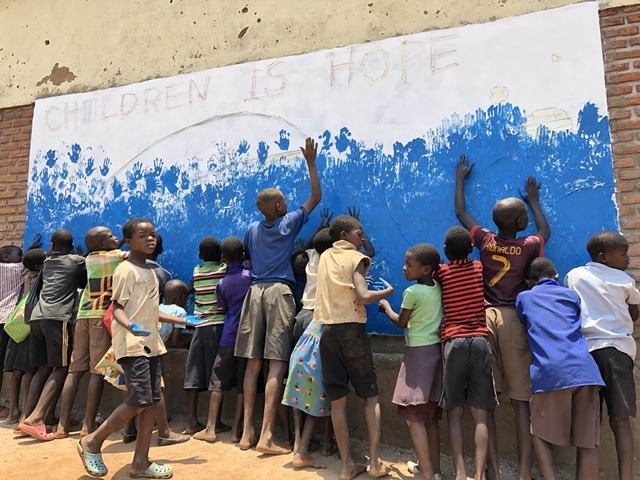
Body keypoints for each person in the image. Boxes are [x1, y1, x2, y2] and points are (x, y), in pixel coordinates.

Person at [455, 155, 550, 480]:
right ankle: (524, 472)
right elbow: (545, 231)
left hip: (483, 319)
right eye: (523, 215)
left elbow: (461, 214)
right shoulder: (528, 245)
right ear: (519, 223)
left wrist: (459, 180)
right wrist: (535, 201)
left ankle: (492, 470)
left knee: (486, 400)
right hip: (512, 320)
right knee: (522, 400)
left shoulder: (484, 240)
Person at [77, 218, 195, 478]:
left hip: (151, 344)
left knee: (151, 402)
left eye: (153, 234)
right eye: (143, 235)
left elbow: (152, 311)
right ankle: (93, 441)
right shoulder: (125, 270)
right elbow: (117, 307)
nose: (150, 238)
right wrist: (130, 327)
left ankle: (140, 463)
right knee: (139, 399)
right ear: (128, 241)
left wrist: (183, 320)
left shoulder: (151, 272)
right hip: (132, 345)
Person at [234, 136, 322, 455]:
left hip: (253, 294)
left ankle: (247, 433)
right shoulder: (288, 223)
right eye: (283, 200)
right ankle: (267, 436)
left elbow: (247, 258)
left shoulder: (252, 230)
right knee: (275, 364)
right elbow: (315, 196)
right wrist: (310, 162)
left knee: (252, 364)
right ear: (279, 206)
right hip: (279, 292)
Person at [315, 215, 393, 480]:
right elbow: (363, 296)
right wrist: (387, 293)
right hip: (352, 331)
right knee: (370, 396)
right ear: (345, 236)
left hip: (327, 332)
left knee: (337, 401)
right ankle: (375, 463)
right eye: (359, 234)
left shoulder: (325, 256)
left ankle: (347, 464)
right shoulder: (356, 259)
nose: (363, 238)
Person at [516, 257, 604, 480]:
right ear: (556, 275)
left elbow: (525, 320)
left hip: (550, 372)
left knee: (539, 431)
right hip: (586, 371)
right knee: (588, 441)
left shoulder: (524, 297)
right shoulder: (571, 295)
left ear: (528, 281)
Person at [565, 231, 640, 480]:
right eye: (623, 254)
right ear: (603, 257)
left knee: (589, 424)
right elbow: (634, 314)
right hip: (617, 353)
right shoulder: (624, 280)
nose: (628, 259)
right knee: (620, 421)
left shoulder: (574, 276)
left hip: (585, 354)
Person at [432, 226, 497, 480]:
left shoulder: (442, 272)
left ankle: (460, 473)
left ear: (446, 251)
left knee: (455, 411)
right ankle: (480, 474)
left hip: (453, 342)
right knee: (481, 413)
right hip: (480, 340)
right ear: (471, 249)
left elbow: (433, 267)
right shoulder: (480, 268)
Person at [378, 243, 443, 480]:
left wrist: (385, 307)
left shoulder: (412, 293)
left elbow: (401, 322)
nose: (404, 268)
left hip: (417, 355)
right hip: (436, 353)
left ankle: (425, 472)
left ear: (426, 269)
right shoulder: (438, 288)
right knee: (430, 416)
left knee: (413, 415)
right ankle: (434, 471)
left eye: (409, 264)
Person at [55, 226, 125, 439]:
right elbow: (131, 251)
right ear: (103, 244)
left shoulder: (89, 258)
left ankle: (62, 425)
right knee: (96, 371)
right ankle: (87, 425)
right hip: (100, 316)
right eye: (112, 236)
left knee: (75, 370)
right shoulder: (116, 257)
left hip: (83, 315)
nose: (117, 238)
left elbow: (110, 247)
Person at [18, 230, 86, 441]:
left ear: (52, 244)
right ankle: (37, 418)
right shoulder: (77, 261)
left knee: (42, 368)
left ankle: (26, 418)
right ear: (72, 244)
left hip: (37, 317)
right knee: (62, 367)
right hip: (57, 319)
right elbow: (84, 283)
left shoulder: (46, 262)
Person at [281, 227, 336, 469]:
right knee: (325, 381)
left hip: (301, 315)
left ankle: (296, 441)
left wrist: (316, 232)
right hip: (319, 318)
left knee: (298, 378)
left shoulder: (310, 258)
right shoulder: (331, 260)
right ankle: (325, 441)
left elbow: (300, 251)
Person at [194, 236, 252, 444]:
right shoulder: (251, 277)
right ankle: (238, 430)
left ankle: (210, 427)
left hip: (227, 335)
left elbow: (222, 307)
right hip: (247, 338)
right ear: (243, 256)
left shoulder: (222, 283)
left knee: (217, 381)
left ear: (223, 258)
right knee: (244, 383)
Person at [184, 235, 227, 435]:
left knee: (194, 373)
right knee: (215, 374)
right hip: (217, 327)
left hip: (198, 327)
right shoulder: (222, 271)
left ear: (200, 255)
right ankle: (215, 421)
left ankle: (192, 421)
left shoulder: (197, 272)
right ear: (221, 256)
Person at [3, 248, 47, 424]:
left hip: (18, 326)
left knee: (17, 372)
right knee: (30, 371)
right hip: (31, 327)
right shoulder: (42, 277)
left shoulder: (24, 275)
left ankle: (14, 410)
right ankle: (25, 414)